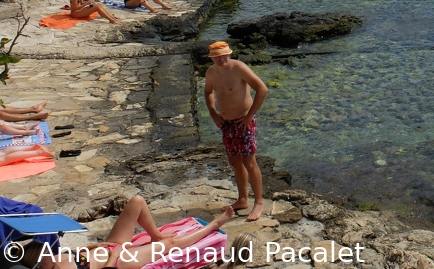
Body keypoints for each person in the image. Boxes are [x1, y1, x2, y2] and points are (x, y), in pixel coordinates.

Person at [20, 195, 237, 269]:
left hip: (109, 247)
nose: (47, 252)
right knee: (170, 247)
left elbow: (79, 256)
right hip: (119, 261)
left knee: (136, 202)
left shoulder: (52, 259)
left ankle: (156, 235)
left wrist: (94, 246)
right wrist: (114, 255)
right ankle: (215, 225)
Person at [204, 41, 268, 222]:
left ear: (229, 54)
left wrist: (250, 115)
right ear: (212, 57)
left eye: (224, 55)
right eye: (217, 56)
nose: (221, 59)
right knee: (234, 160)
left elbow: (262, 89)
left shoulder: (239, 68)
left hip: (243, 122)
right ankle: (242, 199)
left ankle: (259, 202)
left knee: (249, 161)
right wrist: (213, 113)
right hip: (226, 123)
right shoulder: (211, 72)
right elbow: (208, 91)